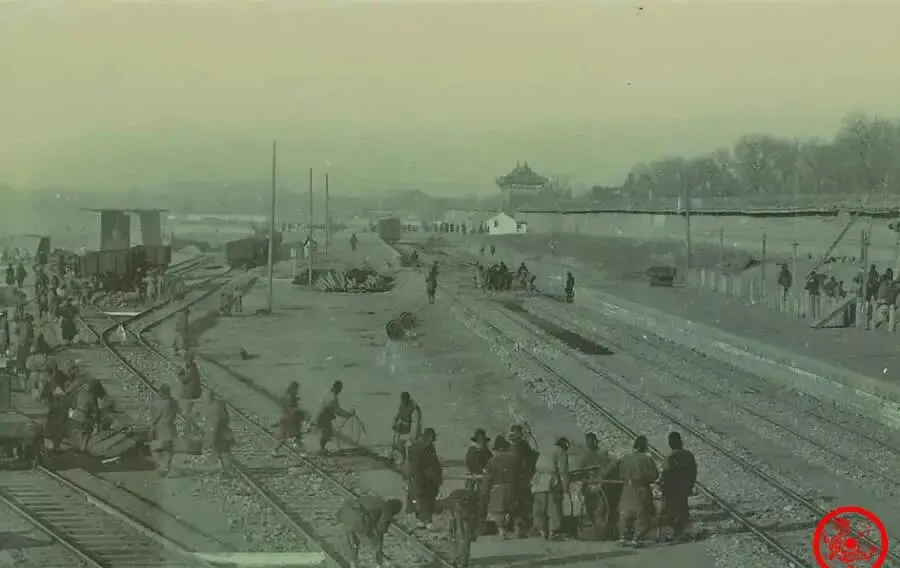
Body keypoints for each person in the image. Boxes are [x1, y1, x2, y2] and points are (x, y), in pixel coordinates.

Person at [336, 496, 402, 568]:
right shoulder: (388, 509)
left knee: (353, 542)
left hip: (346, 515)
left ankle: (353, 564)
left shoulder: (376, 499)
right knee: (377, 544)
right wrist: (378, 531)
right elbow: (380, 528)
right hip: (359, 521)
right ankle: (379, 564)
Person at [617, 435, 659, 548]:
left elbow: (620, 474)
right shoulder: (646, 459)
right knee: (644, 515)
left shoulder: (625, 458)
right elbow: (654, 475)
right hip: (641, 489)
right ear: (644, 446)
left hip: (627, 489)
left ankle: (622, 537)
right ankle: (636, 538)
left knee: (625, 514)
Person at [576, 432, 617, 540]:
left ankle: (600, 532)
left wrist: (600, 477)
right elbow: (580, 471)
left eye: (590, 441)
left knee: (600, 510)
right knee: (590, 509)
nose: (589, 444)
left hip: (601, 486)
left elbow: (609, 468)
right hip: (590, 486)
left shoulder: (602, 454)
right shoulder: (585, 456)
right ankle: (594, 531)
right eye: (587, 442)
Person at [479, 435, 520, 539]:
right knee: (514, 509)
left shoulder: (492, 461)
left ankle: (502, 532)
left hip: (497, 489)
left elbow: (488, 478)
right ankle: (517, 531)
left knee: (499, 512)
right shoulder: (514, 459)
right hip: (512, 487)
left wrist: (484, 491)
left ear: (496, 449)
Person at [659, 432, 697, 543]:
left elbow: (665, 473)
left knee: (671, 510)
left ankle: (676, 533)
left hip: (672, 487)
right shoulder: (688, 455)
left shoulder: (670, 457)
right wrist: (691, 485)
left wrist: (662, 486)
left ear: (670, 444)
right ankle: (683, 531)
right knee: (683, 507)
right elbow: (694, 471)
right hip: (684, 485)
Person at [531, 437, 570, 540]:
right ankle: (553, 531)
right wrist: (566, 490)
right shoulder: (561, 452)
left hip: (538, 480)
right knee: (553, 508)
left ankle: (542, 530)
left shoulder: (545, 450)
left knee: (539, 507)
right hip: (551, 481)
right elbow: (563, 471)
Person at [407, 427, 443, 529]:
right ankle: (426, 521)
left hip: (428, 478)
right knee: (425, 499)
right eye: (432, 438)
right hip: (423, 478)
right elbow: (418, 466)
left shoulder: (427, 447)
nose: (432, 440)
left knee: (425, 499)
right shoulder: (420, 448)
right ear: (428, 437)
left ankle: (422, 521)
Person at [440, 488, 479, 568]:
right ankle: (462, 559)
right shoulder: (471, 503)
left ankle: (460, 559)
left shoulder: (452, 503)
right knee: (464, 534)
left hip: (462, 505)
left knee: (461, 534)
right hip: (465, 505)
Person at [314, 380, 354, 454]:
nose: (340, 391)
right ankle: (322, 449)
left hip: (322, 416)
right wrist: (348, 414)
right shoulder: (333, 397)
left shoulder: (328, 394)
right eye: (339, 389)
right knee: (327, 433)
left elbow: (335, 409)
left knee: (328, 432)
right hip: (324, 417)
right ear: (336, 388)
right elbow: (337, 411)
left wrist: (347, 414)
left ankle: (322, 448)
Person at [150, 384, 179, 476]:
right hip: (171, 429)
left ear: (161, 393)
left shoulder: (159, 404)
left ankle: (162, 465)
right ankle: (166, 466)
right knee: (168, 450)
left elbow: (155, 417)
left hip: (160, 430)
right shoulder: (174, 402)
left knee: (155, 450)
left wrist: (151, 427)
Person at [70, 379, 106, 452]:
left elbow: (73, 405)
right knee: (87, 432)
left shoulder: (80, 392)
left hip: (75, 415)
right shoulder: (92, 397)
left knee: (80, 431)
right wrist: (97, 423)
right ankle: (83, 448)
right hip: (84, 417)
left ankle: (79, 446)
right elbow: (96, 412)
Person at [205, 390, 235, 473]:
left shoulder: (213, 407)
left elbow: (214, 424)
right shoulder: (219, 404)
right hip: (224, 430)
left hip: (219, 432)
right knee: (224, 451)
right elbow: (226, 418)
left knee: (223, 451)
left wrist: (211, 439)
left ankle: (227, 470)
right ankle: (226, 469)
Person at [273, 381, 305, 455]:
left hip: (284, 418)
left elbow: (285, 406)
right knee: (297, 436)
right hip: (291, 420)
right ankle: (302, 452)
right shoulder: (292, 397)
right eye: (297, 388)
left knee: (283, 436)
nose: (297, 390)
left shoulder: (286, 395)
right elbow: (292, 409)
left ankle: (275, 450)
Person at [391, 391, 422, 468]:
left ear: (408, 399)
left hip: (411, 428)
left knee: (409, 445)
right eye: (402, 399)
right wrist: (394, 423)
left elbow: (415, 422)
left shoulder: (413, 408)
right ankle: (402, 458)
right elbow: (397, 415)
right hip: (402, 427)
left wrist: (413, 435)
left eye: (404, 399)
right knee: (398, 444)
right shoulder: (402, 406)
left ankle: (409, 462)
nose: (403, 401)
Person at [178, 354, 203, 438]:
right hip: (193, 394)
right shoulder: (194, 369)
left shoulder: (191, 371)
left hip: (189, 396)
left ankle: (196, 429)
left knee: (186, 413)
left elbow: (182, 380)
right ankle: (193, 429)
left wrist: (181, 373)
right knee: (187, 413)